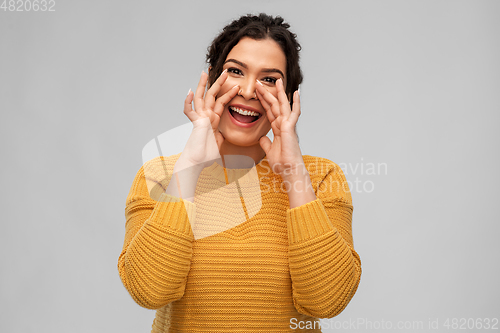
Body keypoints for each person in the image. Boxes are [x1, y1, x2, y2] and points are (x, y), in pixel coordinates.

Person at [118, 13, 361, 333]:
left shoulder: (320, 176)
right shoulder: (160, 175)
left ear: (288, 97)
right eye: (235, 71)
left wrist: (293, 174)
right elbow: (149, 290)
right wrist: (189, 167)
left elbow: (326, 301)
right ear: (212, 80)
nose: (248, 91)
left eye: (269, 79)